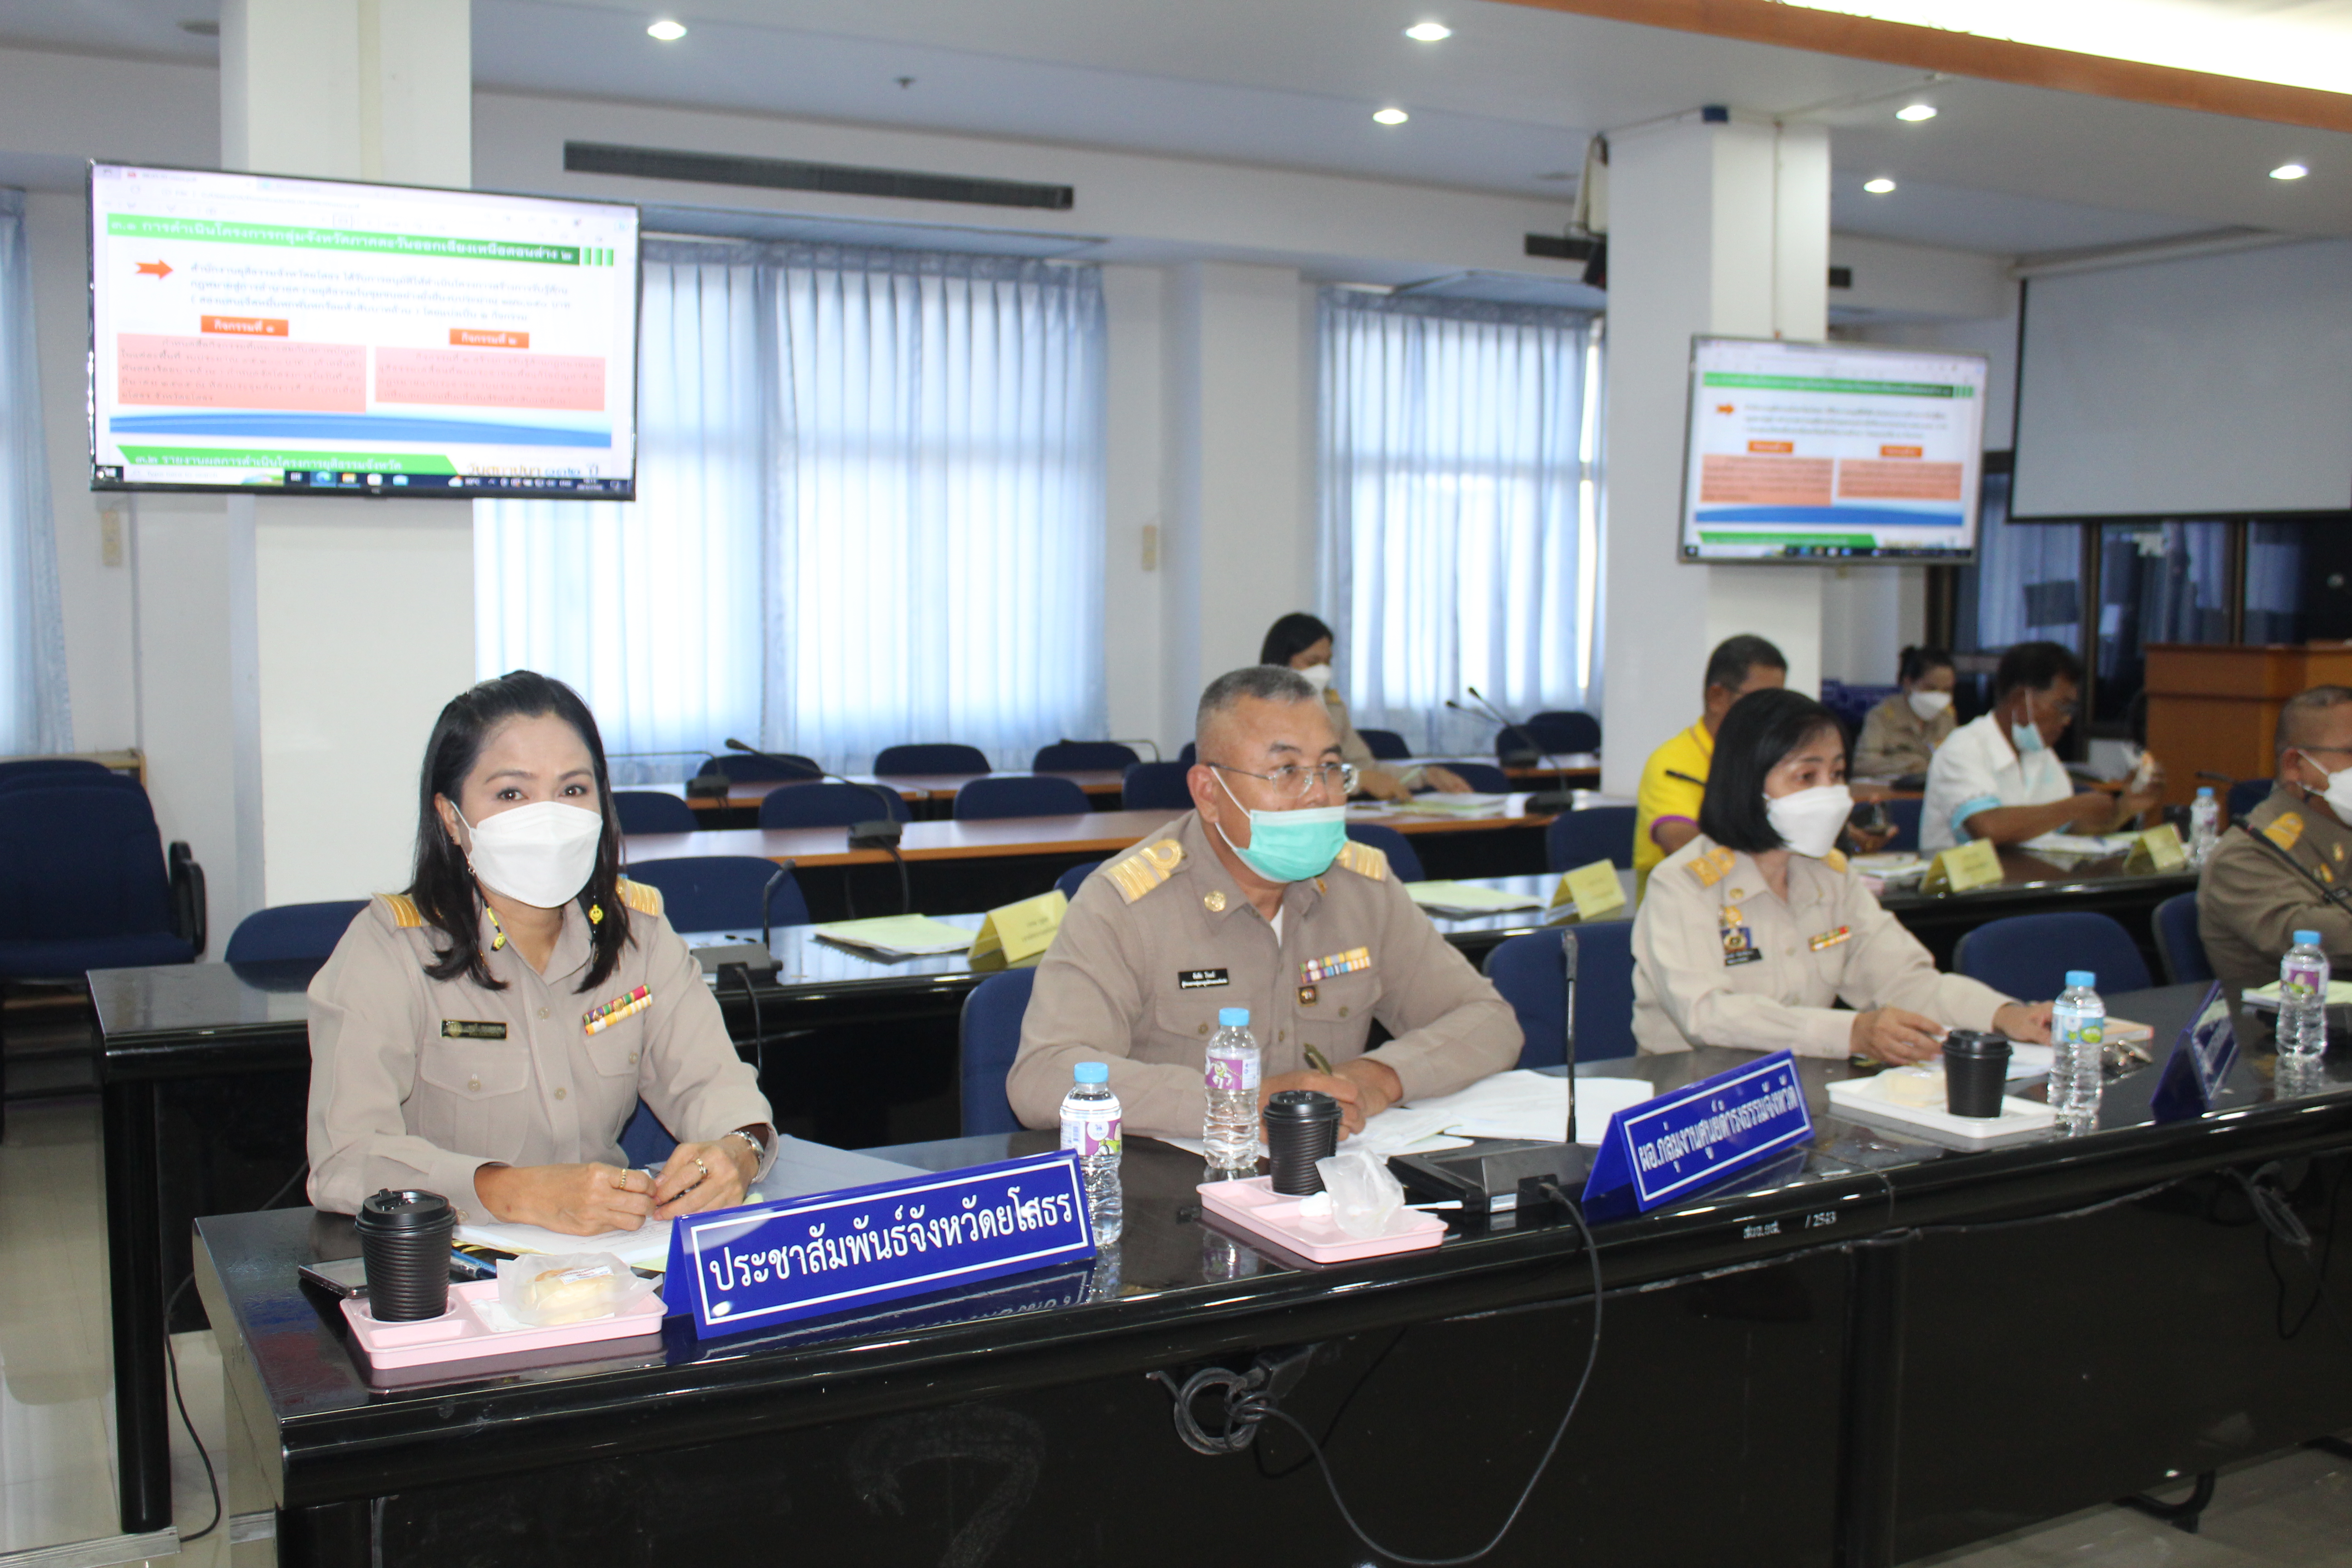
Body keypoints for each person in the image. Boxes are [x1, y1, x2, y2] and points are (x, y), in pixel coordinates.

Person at [307, 671, 777, 1231]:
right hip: (456, 1266)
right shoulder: (391, 948)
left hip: (615, 1260)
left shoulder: (637, 933)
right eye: (512, 793)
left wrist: (738, 1150)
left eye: (573, 790)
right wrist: (508, 1191)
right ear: (450, 818)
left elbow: (712, 1084)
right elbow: (344, 1159)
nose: (550, 816)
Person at [1008, 664, 1521, 1140]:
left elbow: (1489, 1019)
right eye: (1286, 772)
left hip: (1330, 1194)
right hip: (1179, 1204)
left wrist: (1380, 1076)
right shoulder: (1126, 904)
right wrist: (1237, 1105)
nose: (1318, 794)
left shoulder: (1362, 887)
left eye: (1330, 768)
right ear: (1209, 792)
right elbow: (1043, 1076)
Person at [1633, 689, 2053, 1059]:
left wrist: (2004, 1015)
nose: (1830, 793)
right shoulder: (1684, 883)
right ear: (1747, 782)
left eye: (1836, 775)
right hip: (1692, 1099)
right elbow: (1708, 1016)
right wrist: (1849, 1033)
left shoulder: (1829, 877)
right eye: (1806, 777)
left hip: (1801, 1090)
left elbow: (1904, 980)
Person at [1920, 641, 2164, 853]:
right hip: (1965, 896)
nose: (2067, 719)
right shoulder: (1964, 748)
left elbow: (2067, 829)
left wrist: (2124, 810)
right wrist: (2072, 808)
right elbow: (1988, 828)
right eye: (2062, 706)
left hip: (2024, 884)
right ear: (2021, 701)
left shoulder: (2041, 754)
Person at [2199, 685, 2352, 1012]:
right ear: (2297, 765)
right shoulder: (2246, 854)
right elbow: (2320, 939)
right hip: (2284, 1043)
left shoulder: (2342, 832)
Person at [1259, 612, 1470, 803]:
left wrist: (1424, 776)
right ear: (1281, 663)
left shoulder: (1332, 707)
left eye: (1327, 662)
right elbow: (1285, 776)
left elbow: (1367, 768)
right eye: (1312, 662)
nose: (1323, 671)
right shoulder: (1257, 712)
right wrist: (1358, 781)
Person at [1634, 635, 1787, 884]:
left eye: (1777, 702)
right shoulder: (1673, 761)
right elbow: (1681, 841)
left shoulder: (1770, 758)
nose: (1771, 715)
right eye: (1760, 701)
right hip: (1680, 902)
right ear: (1717, 697)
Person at [1853, 645, 1957, 780]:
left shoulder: (1946, 717)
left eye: (1946, 690)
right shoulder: (1882, 716)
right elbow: (1862, 765)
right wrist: (1910, 764)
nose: (1939, 697)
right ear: (1909, 683)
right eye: (1931, 688)